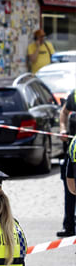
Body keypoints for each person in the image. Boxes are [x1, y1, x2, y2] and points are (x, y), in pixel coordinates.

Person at [59, 94, 76, 238]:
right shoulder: (74, 95)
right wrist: (62, 129)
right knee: (69, 189)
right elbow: (64, 112)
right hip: (72, 151)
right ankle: (70, 226)